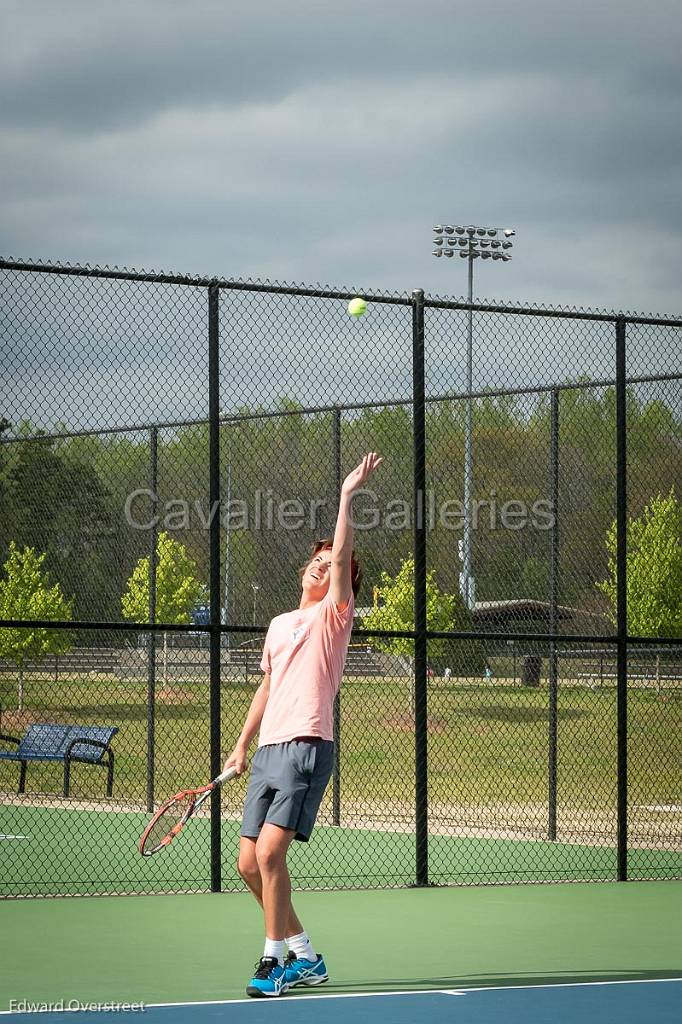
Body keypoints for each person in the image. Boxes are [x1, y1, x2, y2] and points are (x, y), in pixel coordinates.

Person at [223, 452, 383, 998]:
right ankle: (306, 956)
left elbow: (342, 560)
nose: (323, 565)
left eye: (330, 563)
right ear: (303, 567)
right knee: (248, 864)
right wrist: (240, 746)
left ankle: (271, 963)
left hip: (307, 746)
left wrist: (346, 495)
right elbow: (267, 687)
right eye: (315, 560)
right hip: (268, 751)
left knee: (271, 855)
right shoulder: (279, 624)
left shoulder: (333, 618)